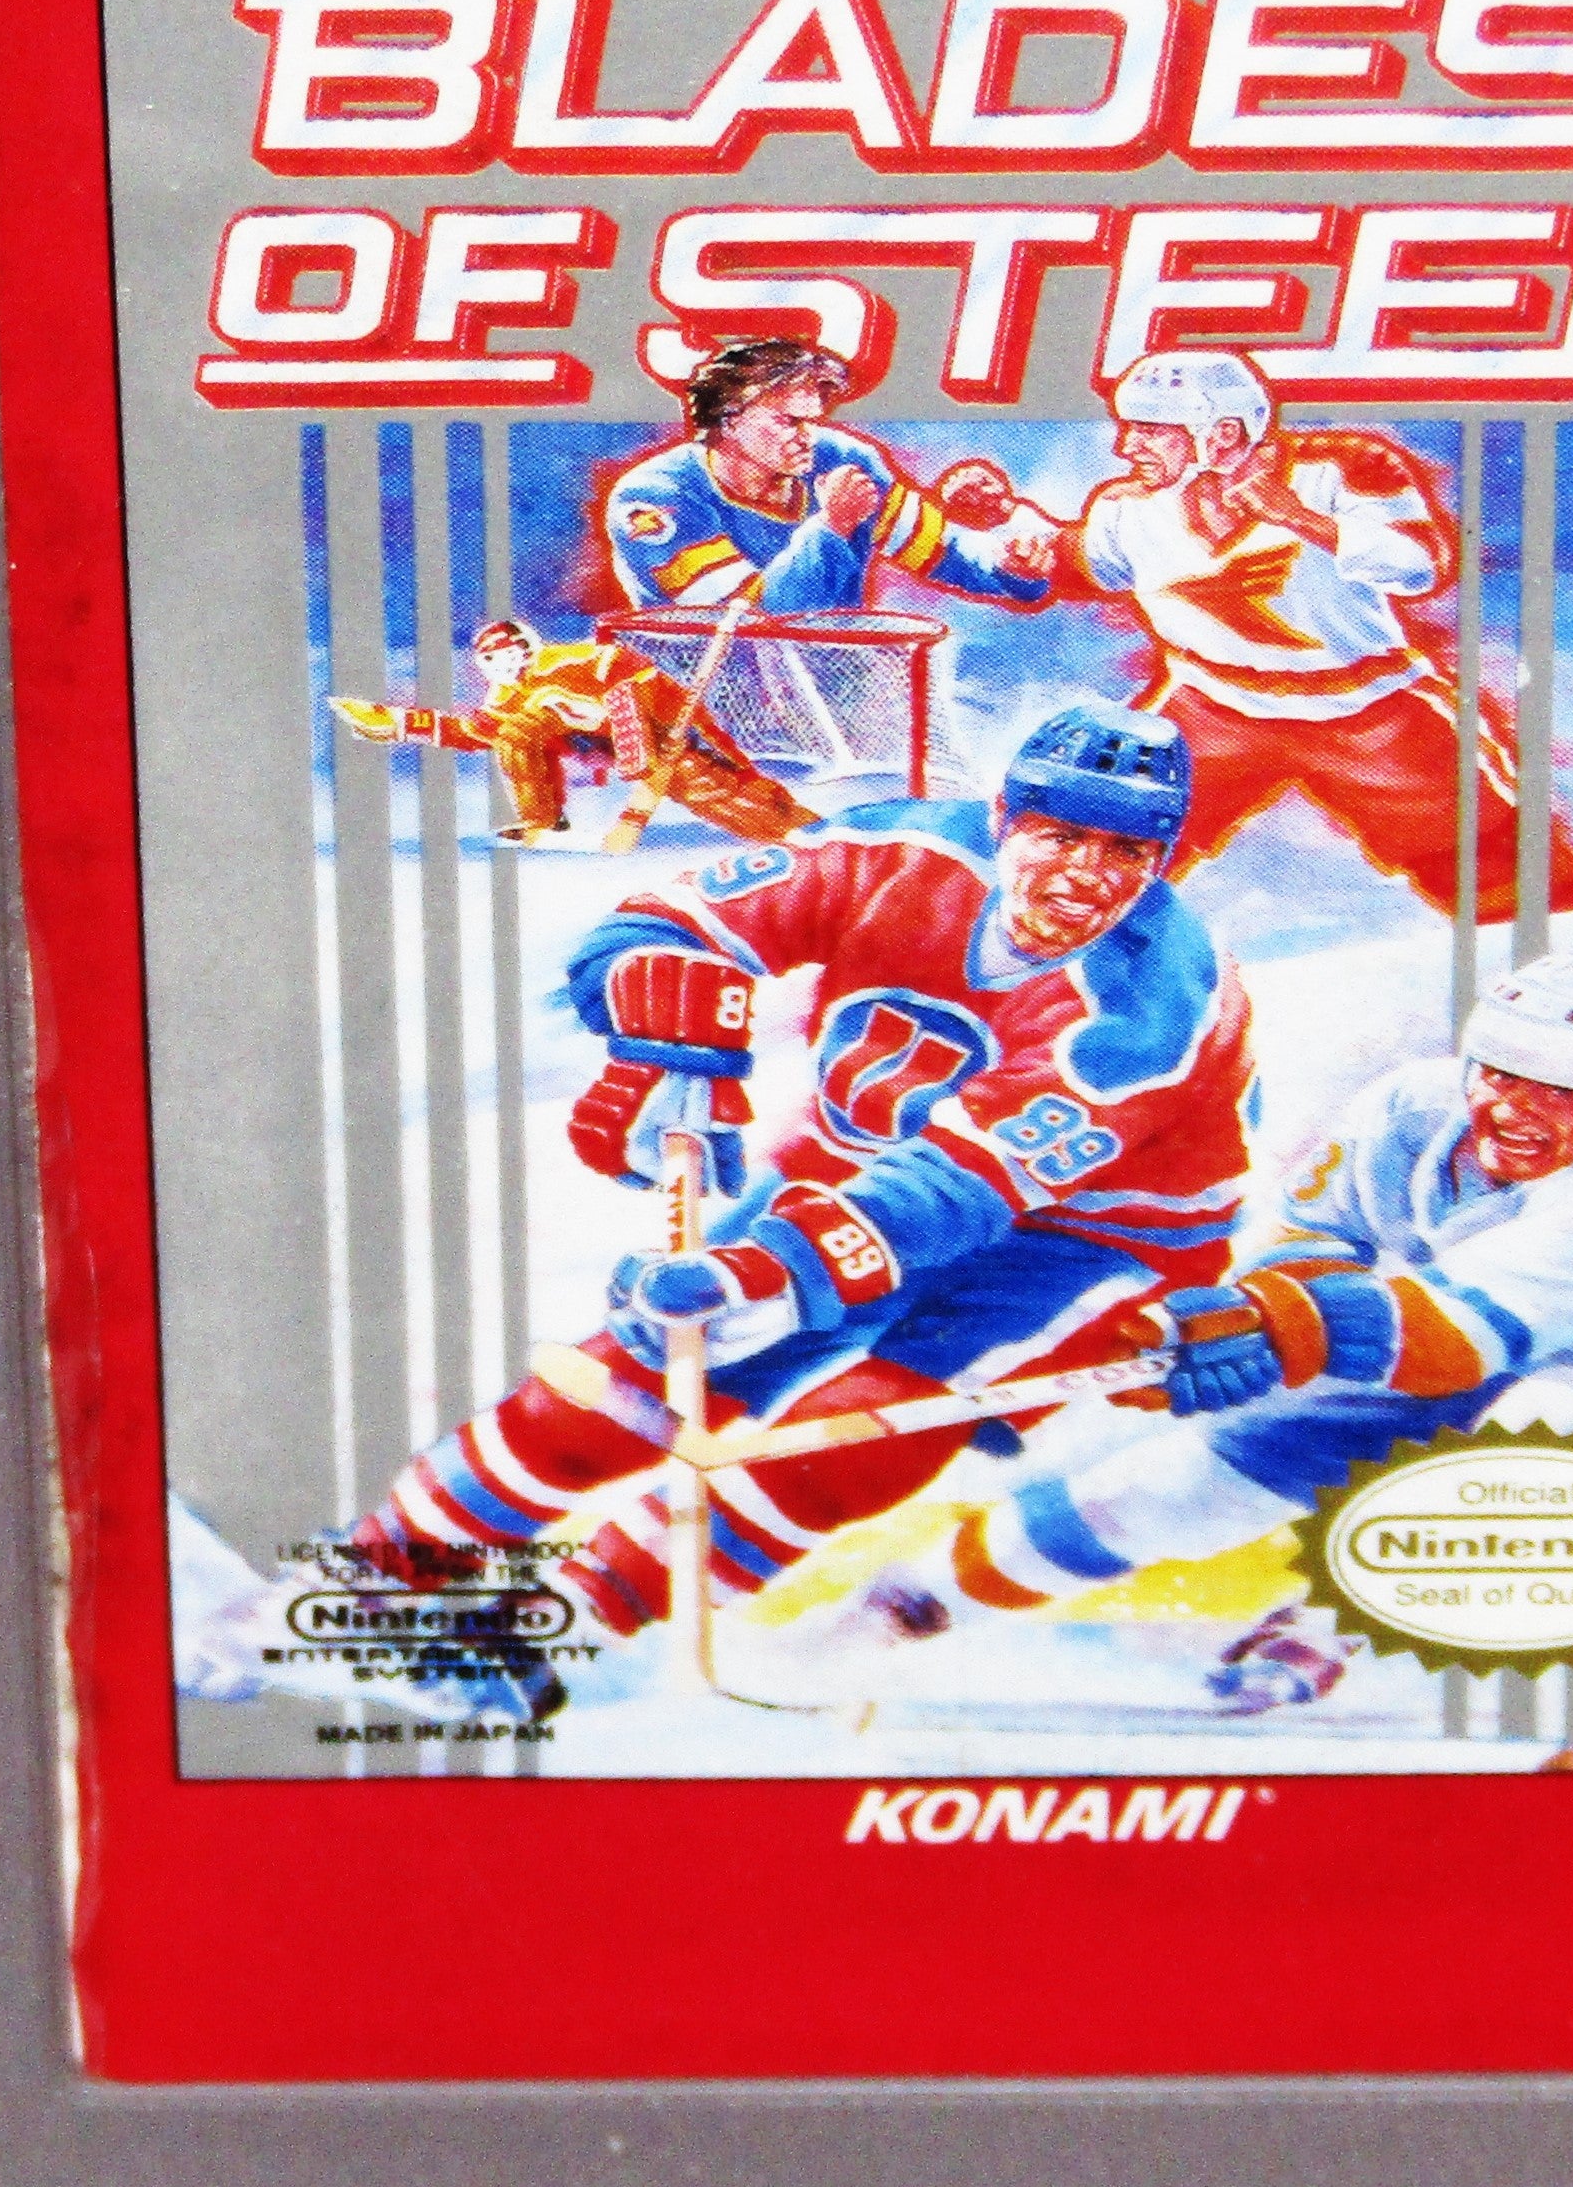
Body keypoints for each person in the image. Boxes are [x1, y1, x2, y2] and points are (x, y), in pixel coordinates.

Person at [313, 705, 1253, 1689]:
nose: (1084, 875)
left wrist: (769, 1268)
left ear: (1161, 862)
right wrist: (658, 999)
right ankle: (381, 1573)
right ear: (1003, 818)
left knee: (854, 1434)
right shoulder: (892, 854)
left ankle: (566, 1626)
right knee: (638, 1371)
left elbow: (958, 1190)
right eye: (1059, 837)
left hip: (1090, 1242)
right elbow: (670, 920)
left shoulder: (1154, 1004)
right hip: (855, 1171)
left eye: (1126, 852)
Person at [817, 952, 1573, 1696]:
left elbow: (1445, 1338)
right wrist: (1242, 1322)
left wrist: (1270, 1329)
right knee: (1173, 1487)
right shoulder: (1417, 1107)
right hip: (1464, 1351)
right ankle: (894, 1612)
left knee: (1545, 1416)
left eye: (1560, 1090)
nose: (1511, 1110)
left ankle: (1338, 1629)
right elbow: (1316, 1241)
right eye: (1500, 1073)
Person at [987, 348, 1573, 920]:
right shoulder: (1127, 506)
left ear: (1221, 434)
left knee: (1493, 860)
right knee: (1108, 830)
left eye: (1150, 430)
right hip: (1211, 709)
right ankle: (1058, 954)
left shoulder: (1342, 468)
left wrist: (1298, 517)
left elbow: (1419, 565)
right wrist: (1017, 540)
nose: (1126, 446)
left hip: (1365, 710)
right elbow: (1083, 565)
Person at [597, 337, 1045, 617]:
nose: (808, 437)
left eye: (813, 421)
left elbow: (937, 548)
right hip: (701, 708)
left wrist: (1006, 566)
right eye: (789, 421)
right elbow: (745, 620)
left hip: (831, 694)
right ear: (729, 421)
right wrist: (830, 528)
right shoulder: (655, 500)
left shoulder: (839, 460)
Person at [329, 612, 813, 846]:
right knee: (517, 733)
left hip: (660, 724)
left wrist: (624, 720)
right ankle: (542, 817)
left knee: (718, 786)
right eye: (488, 659)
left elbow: (636, 674)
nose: (498, 665)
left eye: (504, 653)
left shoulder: (574, 660)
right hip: (611, 741)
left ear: (526, 647)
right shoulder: (508, 696)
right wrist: (399, 723)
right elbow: (478, 733)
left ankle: (800, 830)